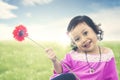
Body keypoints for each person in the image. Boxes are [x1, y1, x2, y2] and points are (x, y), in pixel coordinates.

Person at [45, 15, 119, 80]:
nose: (83, 40)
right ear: (74, 43)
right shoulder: (73, 56)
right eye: (77, 39)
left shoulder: (107, 55)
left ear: (94, 29)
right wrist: (54, 61)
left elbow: (112, 77)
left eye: (85, 33)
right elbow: (60, 71)